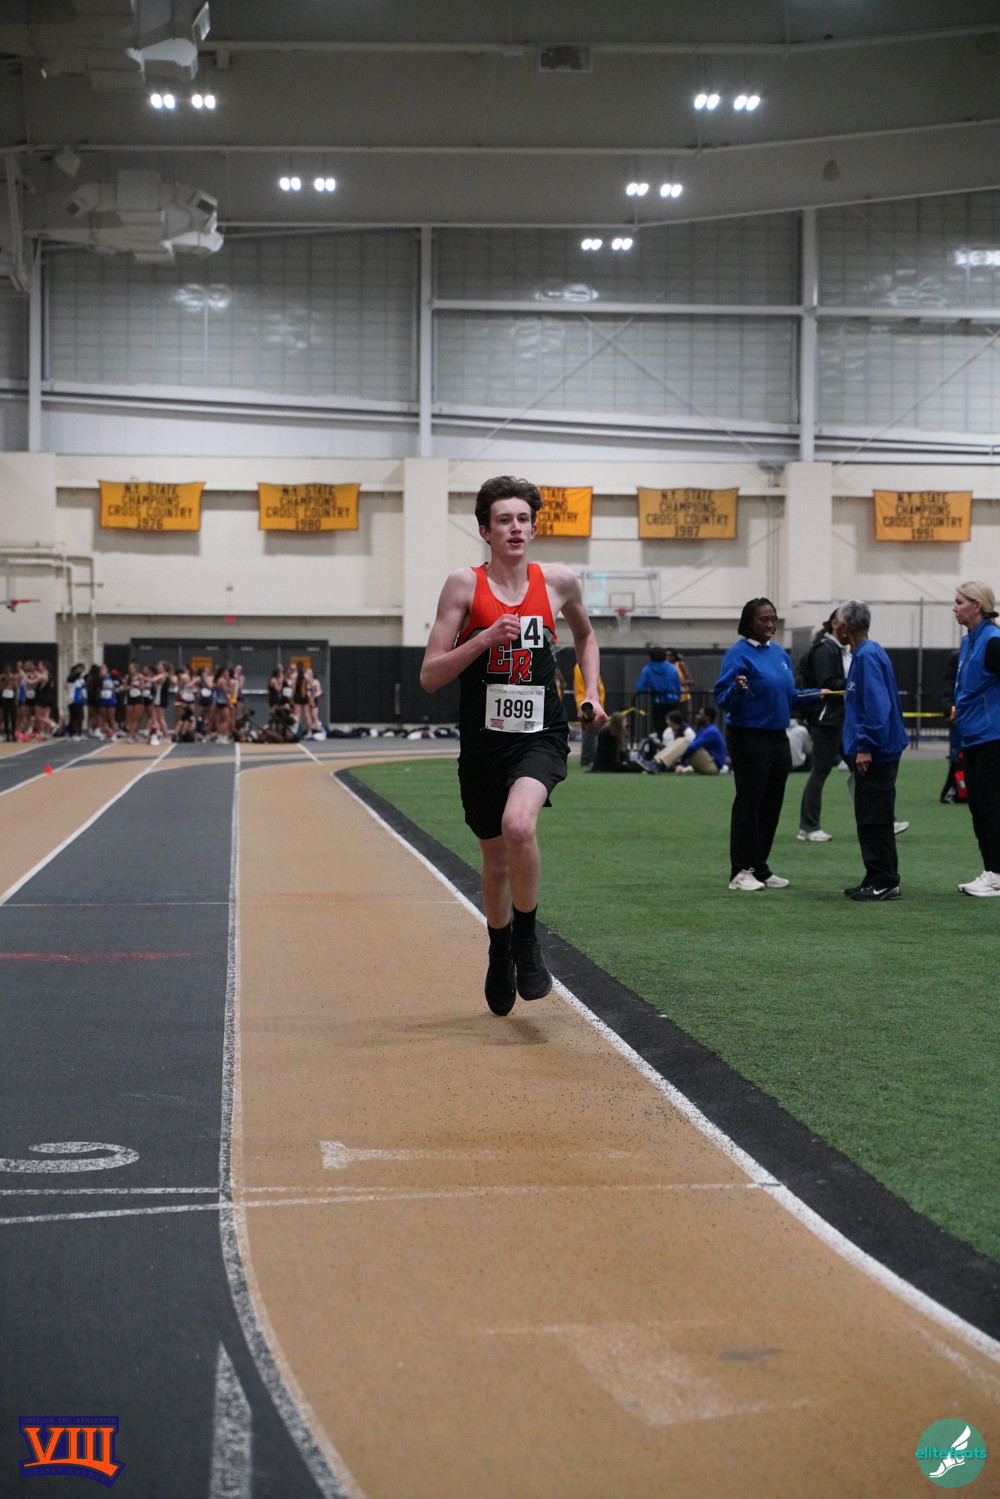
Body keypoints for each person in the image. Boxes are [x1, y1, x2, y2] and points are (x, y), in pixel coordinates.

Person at [420, 474, 607, 1015]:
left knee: (518, 826)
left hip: (540, 736)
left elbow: (586, 635)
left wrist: (590, 693)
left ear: (534, 528)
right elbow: (430, 675)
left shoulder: (559, 582)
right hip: (484, 742)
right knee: (495, 858)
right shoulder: (463, 586)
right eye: (504, 520)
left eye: (524, 519)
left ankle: (526, 941)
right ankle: (499, 950)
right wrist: (483, 639)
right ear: (485, 531)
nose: (516, 528)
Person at [715, 598, 823, 891]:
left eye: (773, 619)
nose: (771, 625)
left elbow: (789, 697)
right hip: (748, 737)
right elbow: (723, 699)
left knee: (771, 805)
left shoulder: (778, 653)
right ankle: (740, 872)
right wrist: (738, 690)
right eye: (764, 620)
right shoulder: (737, 655)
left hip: (778, 737)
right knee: (749, 805)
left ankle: (759, 867)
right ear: (749, 622)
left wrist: (818, 694)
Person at [835, 600, 907, 902]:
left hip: (877, 750)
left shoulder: (866, 656)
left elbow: (877, 707)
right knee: (869, 816)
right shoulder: (866, 653)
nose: (833, 627)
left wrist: (865, 746)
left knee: (875, 817)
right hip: (878, 748)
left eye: (836, 622)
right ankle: (875, 875)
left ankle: (885, 880)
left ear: (845, 627)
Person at [952, 580, 1000, 896]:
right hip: (972, 737)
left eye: (959, 602)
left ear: (977, 605)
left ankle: (997, 875)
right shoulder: (969, 641)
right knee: (978, 807)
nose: (954, 608)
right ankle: (991, 870)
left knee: (992, 807)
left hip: (993, 737)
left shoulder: (993, 642)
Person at [797, 612, 848, 841]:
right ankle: (808, 827)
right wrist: (855, 682)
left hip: (839, 717)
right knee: (820, 770)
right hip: (826, 718)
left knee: (860, 770)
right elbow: (827, 683)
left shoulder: (837, 649)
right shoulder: (826, 649)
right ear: (835, 623)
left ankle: (882, 819)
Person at [654, 705, 728, 774]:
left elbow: (692, 747)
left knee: (685, 742)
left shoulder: (711, 731)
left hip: (713, 766)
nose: (697, 717)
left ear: (707, 717)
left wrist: (681, 760)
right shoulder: (704, 729)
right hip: (709, 762)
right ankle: (657, 762)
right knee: (684, 741)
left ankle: (660, 763)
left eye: (700, 714)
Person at [634, 646, 681, 738]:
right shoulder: (672, 668)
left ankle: (661, 741)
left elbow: (640, 687)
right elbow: (677, 685)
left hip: (657, 701)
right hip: (673, 700)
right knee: (674, 725)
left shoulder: (647, 669)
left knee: (659, 727)